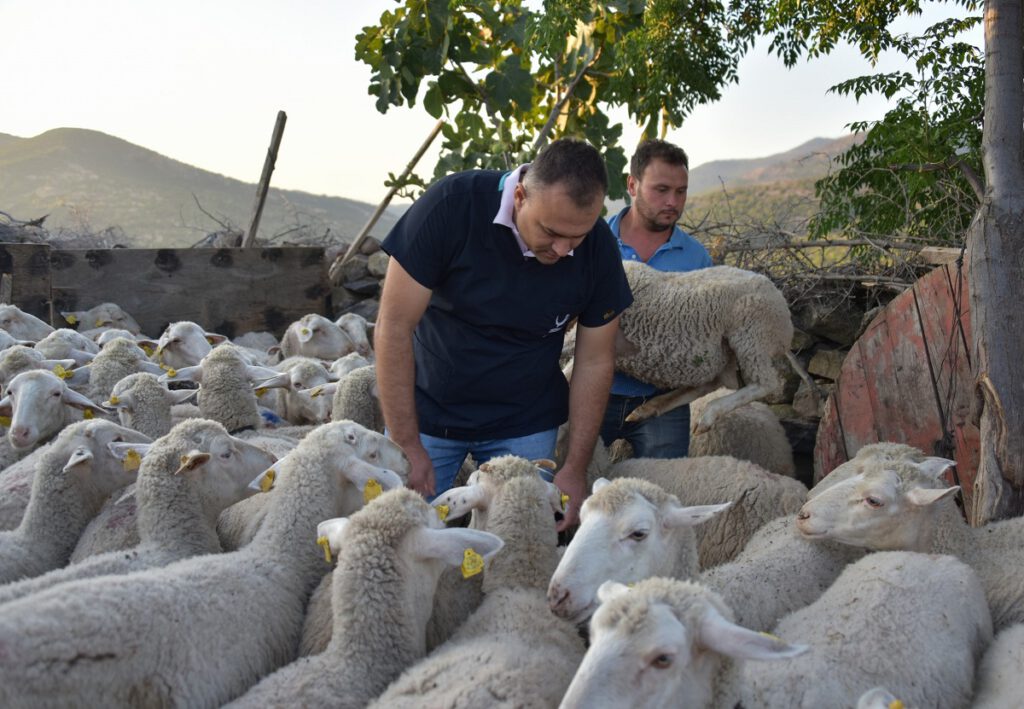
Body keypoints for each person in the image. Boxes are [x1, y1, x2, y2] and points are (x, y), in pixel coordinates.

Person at [375, 138, 633, 530]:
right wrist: (406, 444)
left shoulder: (596, 248)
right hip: (430, 412)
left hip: (524, 421)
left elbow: (596, 359)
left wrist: (574, 469)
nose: (563, 250)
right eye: (550, 231)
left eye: (576, 237)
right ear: (519, 196)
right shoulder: (452, 206)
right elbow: (393, 326)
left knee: (519, 546)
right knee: (404, 534)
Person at [600, 139, 713, 458]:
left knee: (662, 497)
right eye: (661, 189)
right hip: (592, 392)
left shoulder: (696, 259)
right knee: (576, 490)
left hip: (663, 403)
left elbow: (706, 334)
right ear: (632, 184)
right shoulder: (594, 244)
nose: (673, 201)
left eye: (681, 191)